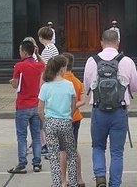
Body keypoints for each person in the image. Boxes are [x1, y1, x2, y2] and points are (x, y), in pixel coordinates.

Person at [83, 29, 137, 187]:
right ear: (118, 42)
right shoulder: (127, 61)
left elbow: (87, 86)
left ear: (101, 42)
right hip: (119, 112)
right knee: (117, 152)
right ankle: (115, 184)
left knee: (98, 146)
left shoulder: (91, 61)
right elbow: (135, 87)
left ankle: (100, 176)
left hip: (98, 110)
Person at [38, 55, 78, 187]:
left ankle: (57, 183)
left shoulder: (46, 87)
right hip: (66, 121)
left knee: (54, 157)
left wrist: (46, 121)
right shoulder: (69, 85)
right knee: (71, 154)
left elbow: (40, 110)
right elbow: (73, 106)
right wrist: (68, 116)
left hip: (50, 122)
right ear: (62, 69)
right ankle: (72, 183)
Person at [8, 39, 46, 174]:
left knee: (21, 135)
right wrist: (38, 54)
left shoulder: (19, 66)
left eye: (20, 51)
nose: (19, 53)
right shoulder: (38, 66)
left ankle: (22, 163)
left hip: (23, 105)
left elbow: (15, 84)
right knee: (36, 135)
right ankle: (37, 163)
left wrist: (12, 83)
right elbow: (44, 65)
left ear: (24, 52)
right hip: (35, 104)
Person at [60, 53, 86, 187]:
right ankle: (79, 178)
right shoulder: (77, 81)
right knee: (74, 149)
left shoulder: (59, 82)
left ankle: (63, 181)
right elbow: (83, 101)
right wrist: (74, 106)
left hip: (64, 119)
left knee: (63, 151)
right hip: (76, 118)